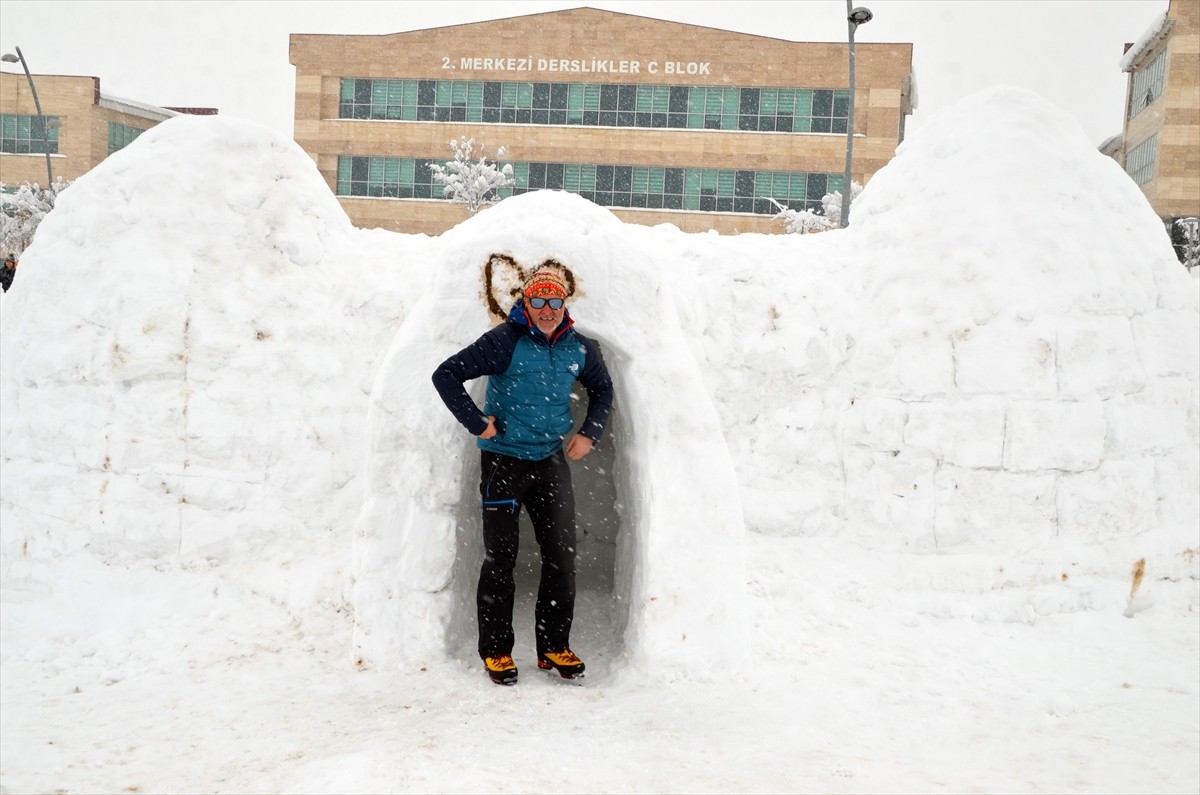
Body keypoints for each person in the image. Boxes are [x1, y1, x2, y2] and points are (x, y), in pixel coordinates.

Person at [432, 267, 614, 685]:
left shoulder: (578, 347)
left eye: (555, 301)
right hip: (504, 462)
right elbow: (446, 374)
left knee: (561, 556)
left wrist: (589, 432)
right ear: (526, 304)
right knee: (501, 558)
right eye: (539, 301)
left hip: (550, 462)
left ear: (564, 304)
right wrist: (478, 423)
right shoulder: (505, 341)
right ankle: (497, 651)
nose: (547, 310)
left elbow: (603, 388)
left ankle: (553, 646)